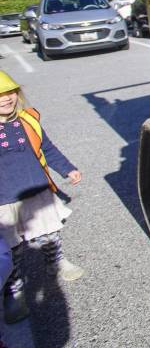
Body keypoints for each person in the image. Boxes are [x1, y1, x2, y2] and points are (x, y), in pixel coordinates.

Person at [0, 71, 83, 324]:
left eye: (11, 92)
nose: (6, 99)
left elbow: (47, 147)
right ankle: (13, 290)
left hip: (37, 189)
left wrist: (68, 168)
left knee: (50, 233)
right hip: (4, 199)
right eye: (0, 95)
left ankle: (56, 262)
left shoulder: (28, 120)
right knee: (11, 248)